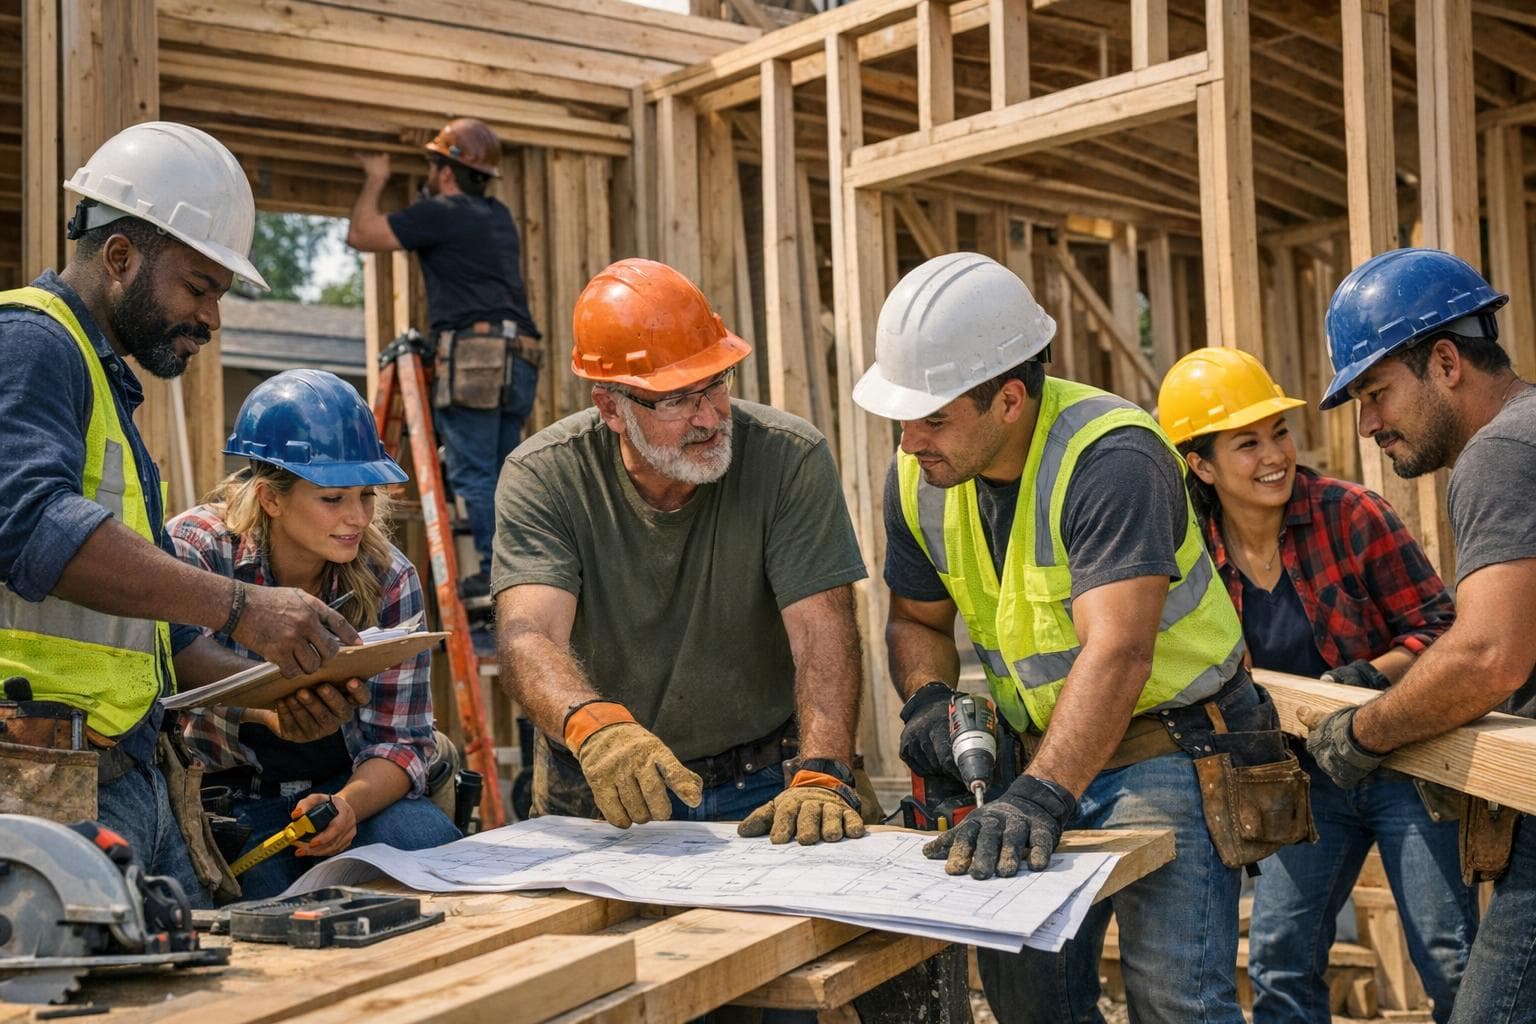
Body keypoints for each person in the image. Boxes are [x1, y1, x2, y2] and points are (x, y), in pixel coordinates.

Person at [855, 252, 1308, 1024]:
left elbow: (1119, 651)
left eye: (932, 418)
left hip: (1169, 746)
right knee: (1032, 1004)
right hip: (1041, 753)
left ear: (1009, 399)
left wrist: (1040, 794)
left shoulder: (1112, 456)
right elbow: (917, 620)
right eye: (903, 418)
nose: (908, 442)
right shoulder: (921, 477)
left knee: (1177, 1003)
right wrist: (929, 696)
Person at [0, 122, 361, 906]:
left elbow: (154, 639)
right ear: (120, 257)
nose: (212, 318)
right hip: (37, 782)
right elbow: (31, 528)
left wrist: (272, 697)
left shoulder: (103, 386)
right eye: (199, 288)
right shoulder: (29, 343)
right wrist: (243, 604)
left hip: (120, 777)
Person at [493, 258, 870, 845]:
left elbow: (822, 632)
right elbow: (529, 635)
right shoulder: (544, 475)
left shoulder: (788, 457)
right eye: (676, 400)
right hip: (601, 784)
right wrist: (595, 728)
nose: (711, 417)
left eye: (717, 383)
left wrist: (822, 772)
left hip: (765, 779)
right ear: (611, 408)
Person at [1159, 346, 1474, 1024]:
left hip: (1404, 763)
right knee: (1280, 961)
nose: (1274, 455)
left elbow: (1443, 629)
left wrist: (1376, 676)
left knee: (1451, 958)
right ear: (1202, 465)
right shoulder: (1193, 552)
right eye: (1247, 444)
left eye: (1279, 432)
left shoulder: (1352, 514)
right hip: (1300, 778)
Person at [1302, 247, 1536, 1024]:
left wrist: (1364, 732)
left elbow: (1490, 656)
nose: (1368, 424)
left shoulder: (1498, 454)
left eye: (1376, 393)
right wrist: (1397, 677)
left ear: (1444, 362)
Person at [169, 370, 460, 899]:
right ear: (271, 498)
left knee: (439, 864)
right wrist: (268, 710)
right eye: (333, 498)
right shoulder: (197, 549)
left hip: (349, 788)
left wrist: (345, 807)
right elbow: (173, 680)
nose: (357, 518)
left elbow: (401, 741)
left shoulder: (389, 576)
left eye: (366, 495)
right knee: (267, 911)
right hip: (230, 796)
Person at [346, 117, 542, 611]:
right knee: (504, 472)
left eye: (433, 167)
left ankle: (499, 574)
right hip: (520, 356)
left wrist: (376, 178)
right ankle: (520, 567)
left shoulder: (442, 213)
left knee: (473, 472)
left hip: (476, 357)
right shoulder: (497, 215)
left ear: (448, 172)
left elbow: (362, 234)